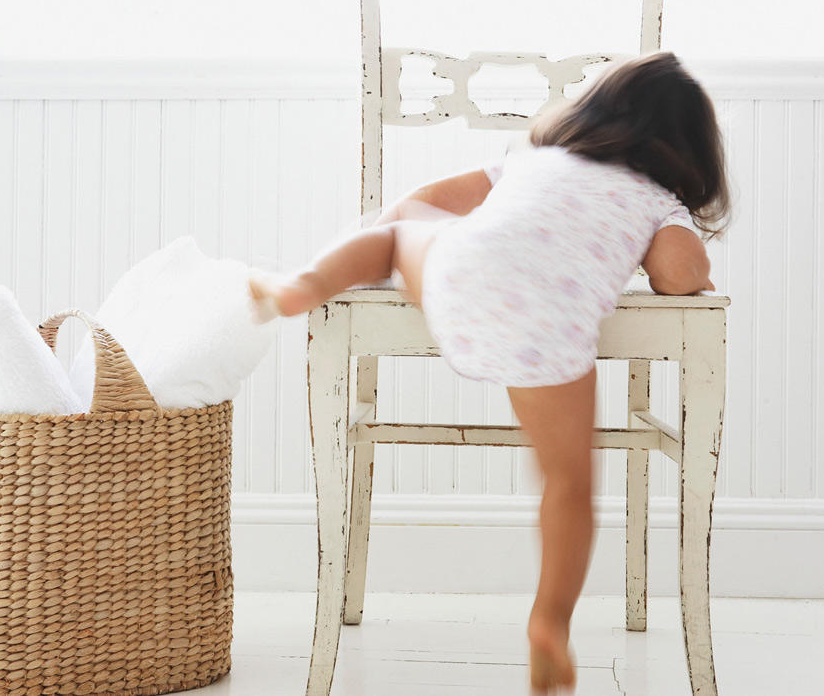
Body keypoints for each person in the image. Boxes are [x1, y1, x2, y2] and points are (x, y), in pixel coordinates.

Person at [247, 50, 731, 694]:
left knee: (396, 238)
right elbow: (680, 278)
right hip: (550, 327)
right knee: (566, 483)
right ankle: (549, 625)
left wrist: (436, 243)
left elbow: (414, 204)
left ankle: (304, 284)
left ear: (590, 113)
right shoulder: (655, 199)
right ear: (688, 152)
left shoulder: (532, 163)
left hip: (458, 279)